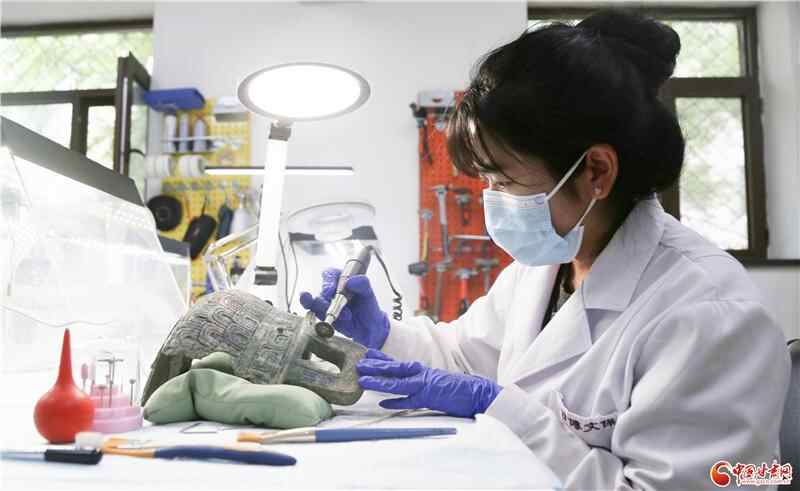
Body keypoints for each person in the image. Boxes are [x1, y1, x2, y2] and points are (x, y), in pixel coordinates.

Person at [300, 9, 790, 490]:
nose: (491, 199)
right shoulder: (546, 266)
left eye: (503, 181)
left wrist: (500, 410)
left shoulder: (709, 315)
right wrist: (384, 334)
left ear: (596, 171)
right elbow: (465, 358)